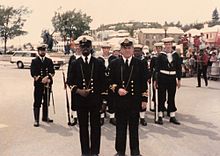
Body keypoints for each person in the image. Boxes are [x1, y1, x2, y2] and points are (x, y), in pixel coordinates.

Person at [67, 35, 105, 156]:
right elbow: (69, 82)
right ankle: (85, 152)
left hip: (95, 101)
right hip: (81, 101)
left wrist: (104, 101)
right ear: (79, 48)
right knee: (83, 128)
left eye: (87, 46)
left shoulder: (98, 63)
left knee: (96, 127)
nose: (85, 49)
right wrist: (78, 91)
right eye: (82, 47)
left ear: (91, 47)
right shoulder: (74, 63)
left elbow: (104, 83)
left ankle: (95, 152)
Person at [109, 37, 148, 156]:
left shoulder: (140, 63)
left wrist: (144, 99)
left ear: (132, 49)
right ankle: (120, 151)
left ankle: (135, 151)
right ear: (120, 50)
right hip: (120, 101)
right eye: (124, 48)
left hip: (134, 101)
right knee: (120, 128)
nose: (127, 50)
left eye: (129, 48)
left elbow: (143, 83)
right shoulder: (114, 63)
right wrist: (117, 89)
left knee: (133, 128)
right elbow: (109, 82)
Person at [154, 37, 181, 125]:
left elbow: (178, 68)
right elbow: (157, 69)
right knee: (161, 97)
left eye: (169, 44)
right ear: (164, 45)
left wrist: (179, 79)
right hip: (162, 77)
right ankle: (160, 115)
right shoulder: (161, 55)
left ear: (172, 45)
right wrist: (155, 80)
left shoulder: (175, 55)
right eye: (166, 44)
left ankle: (172, 115)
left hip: (172, 77)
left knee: (171, 96)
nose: (168, 46)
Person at [30, 43, 55, 127]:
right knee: (37, 102)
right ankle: (36, 120)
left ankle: (45, 117)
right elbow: (33, 73)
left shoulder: (49, 61)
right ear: (38, 51)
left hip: (47, 84)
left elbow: (52, 71)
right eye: (41, 50)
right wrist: (41, 79)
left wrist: (48, 77)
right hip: (38, 85)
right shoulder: (34, 61)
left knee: (46, 102)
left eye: (44, 50)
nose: (42, 52)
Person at [98, 42, 117, 126]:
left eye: (107, 48)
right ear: (102, 49)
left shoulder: (113, 59)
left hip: (111, 81)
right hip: (102, 82)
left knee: (112, 99)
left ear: (109, 49)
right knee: (102, 100)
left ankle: (112, 117)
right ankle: (101, 117)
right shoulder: (98, 59)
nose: (106, 50)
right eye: (104, 48)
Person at [66, 39, 81, 126]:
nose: (78, 48)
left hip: (83, 83)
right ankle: (75, 117)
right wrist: (68, 81)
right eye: (77, 46)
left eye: (79, 46)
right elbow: (69, 70)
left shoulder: (85, 57)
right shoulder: (72, 58)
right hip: (74, 82)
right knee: (74, 100)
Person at [133, 44, 149, 126]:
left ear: (141, 51)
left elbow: (146, 72)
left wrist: (147, 78)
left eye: (138, 51)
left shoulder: (143, 60)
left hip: (142, 82)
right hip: (133, 83)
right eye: (135, 51)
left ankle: (142, 117)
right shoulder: (131, 60)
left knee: (143, 99)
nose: (136, 53)